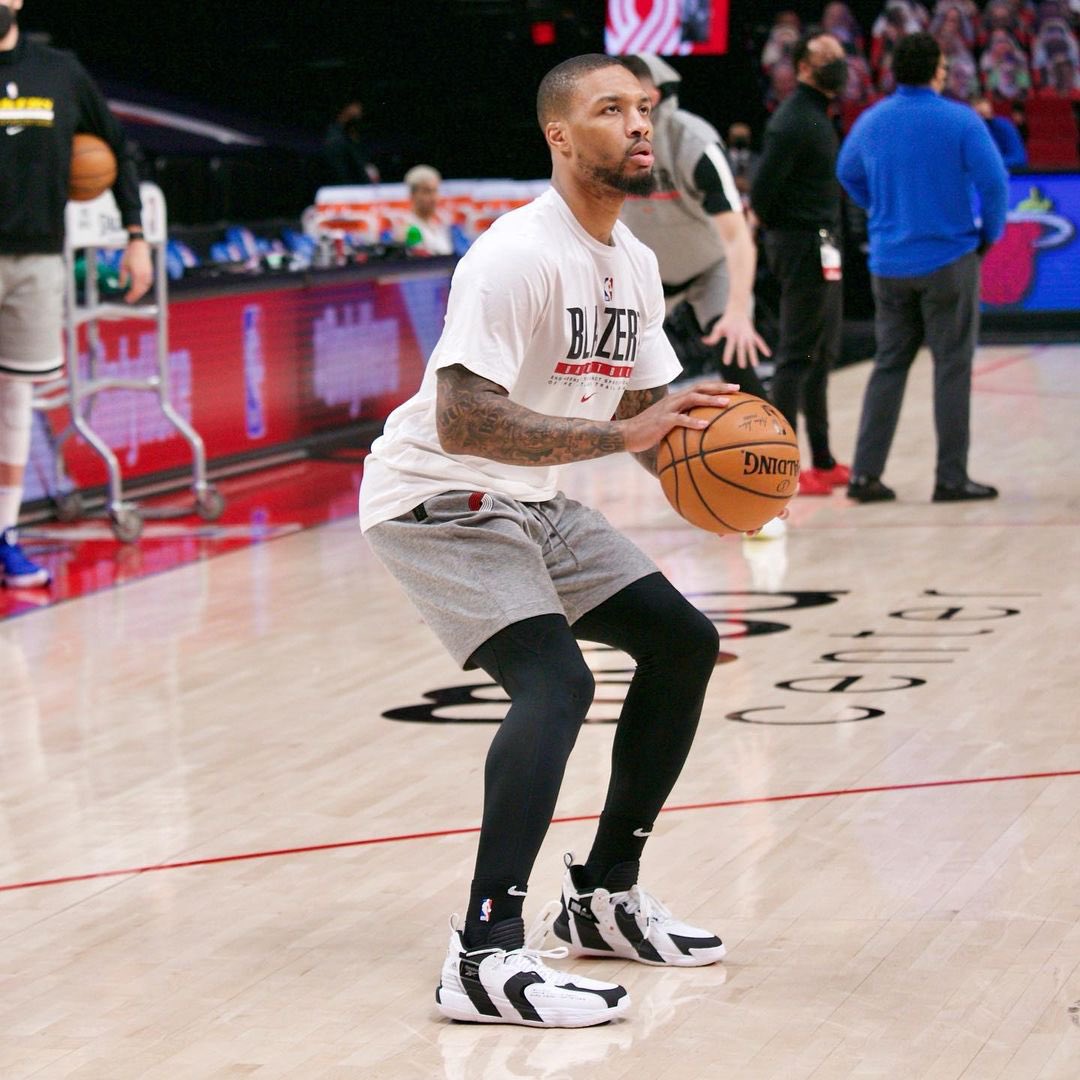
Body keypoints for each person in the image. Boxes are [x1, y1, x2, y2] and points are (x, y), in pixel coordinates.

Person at [359, 54, 735, 1029]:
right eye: (611, 110)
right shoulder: (516, 253)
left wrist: (722, 467)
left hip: (530, 495)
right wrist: (623, 436)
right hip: (438, 495)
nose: (639, 126)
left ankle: (605, 896)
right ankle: (483, 953)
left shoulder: (635, 262)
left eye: (645, 109)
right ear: (560, 137)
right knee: (556, 681)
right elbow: (462, 421)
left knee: (683, 642)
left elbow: (651, 417)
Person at [0, 0, 152, 587]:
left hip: (38, 257)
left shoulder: (59, 71)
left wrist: (135, 236)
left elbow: (118, 148)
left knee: (15, 398)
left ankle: (5, 534)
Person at [837, 32, 1008, 503]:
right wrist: (987, 237)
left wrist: (880, 209)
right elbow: (995, 184)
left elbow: (846, 172)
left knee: (889, 365)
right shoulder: (959, 119)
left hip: (889, 263)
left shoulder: (871, 121)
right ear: (939, 70)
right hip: (949, 258)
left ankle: (865, 475)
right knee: (952, 367)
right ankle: (950, 478)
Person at [618, 54, 769, 392]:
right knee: (632, 385)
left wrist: (738, 310)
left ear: (652, 97)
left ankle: (771, 444)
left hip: (710, 265)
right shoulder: (604, 144)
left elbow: (737, 235)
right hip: (647, 275)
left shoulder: (693, 141)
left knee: (735, 353)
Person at [750, 29, 850, 497]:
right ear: (805, 67)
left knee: (821, 354)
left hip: (822, 244)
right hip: (801, 245)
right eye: (827, 56)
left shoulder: (817, 114)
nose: (838, 62)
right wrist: (786, 234)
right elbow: (763, 192)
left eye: (840, 55)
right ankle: (783, 469)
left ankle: (824, 460)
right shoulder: (793, 120)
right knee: (796, 357)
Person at [320, 100, 380, 186]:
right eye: (356, 105)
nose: (360, 110)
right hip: (345, 191)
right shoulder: (336, 139)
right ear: (346, 108)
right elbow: (342, 175)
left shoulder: (351, 135)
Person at [399, 164, 455, 256]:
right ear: (413, 195)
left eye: (435, 191)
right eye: (427, 192)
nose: (433, 198)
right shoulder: (408, 228)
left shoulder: (443, 225)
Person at [973, 94, 1028, 168]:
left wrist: (992, 163)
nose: (985, 120)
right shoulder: (968, 131)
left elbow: (1019, 158)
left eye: (988, 115)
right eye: (981, 115)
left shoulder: (1004, 127)